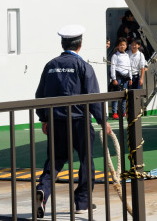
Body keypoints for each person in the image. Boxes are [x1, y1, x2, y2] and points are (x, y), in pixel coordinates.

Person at [34, 25, 111, 218]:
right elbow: (93, 97)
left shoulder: (50, 66)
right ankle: (82, 203)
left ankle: (43, 191)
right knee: (86, 161)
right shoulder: (84, 66)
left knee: (55, 160)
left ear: (62, 43)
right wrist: (103, 121)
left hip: (56, 121)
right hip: (79, 123)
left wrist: (44, 118)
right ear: (80, 45)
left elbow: (40, 95)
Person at [108, 37, 131, 119]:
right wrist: (114, 78)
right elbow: (113, 67)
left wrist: (130, 78)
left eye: (124, 45)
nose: (122, 46)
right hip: (118, 77)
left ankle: (123, 112)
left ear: (126, 46)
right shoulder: (115, 56)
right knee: (116, 95)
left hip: (126, 77)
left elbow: (129, 67)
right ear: (118, 46)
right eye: (121, 45)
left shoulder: (127, 55)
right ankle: (114, 112)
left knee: (124, 96)